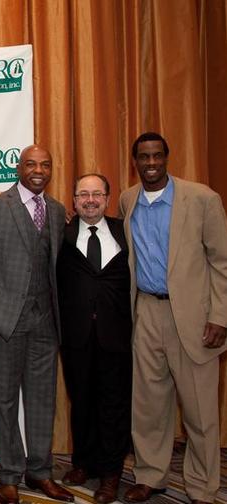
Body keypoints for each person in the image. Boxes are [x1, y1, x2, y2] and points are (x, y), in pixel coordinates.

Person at [119, 132, 227, 504]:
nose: (151, 163)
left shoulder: (202, 198)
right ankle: (151, 475)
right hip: (146, 311)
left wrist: (220, 316)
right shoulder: (128, 199)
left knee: (200, 412)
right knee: (148, 406)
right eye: (144, 157)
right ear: (135, 161)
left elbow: (221, 262)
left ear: (167, 157)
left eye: (157, 156)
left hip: (195, 317)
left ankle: (202, 487)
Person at [0, 145, 73, 504]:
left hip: (45, 323)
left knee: (43, 401)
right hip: (3, 321)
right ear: (18, 167)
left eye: (45, 164)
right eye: (31, 163)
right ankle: (9, 474)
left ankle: (40, 472)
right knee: (5, 400)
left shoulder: (57, 211)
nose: (38, 170)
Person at [56, 174, 131, 504]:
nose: (90, 200)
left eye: (96, 194)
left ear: (107, 197)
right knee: (81, 400)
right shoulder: (62, 235)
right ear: (73, 200)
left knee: (113, 404)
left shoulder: (123, 231)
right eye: (83, 194)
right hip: (76, 335)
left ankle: (111, 472)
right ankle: (84, 462)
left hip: (116, 334)